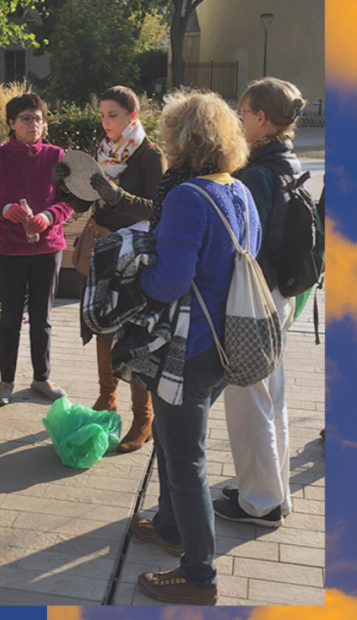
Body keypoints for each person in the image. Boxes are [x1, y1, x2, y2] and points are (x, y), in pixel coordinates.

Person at [129, 90, 257, 606]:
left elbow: (167, 284)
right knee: (172, 436)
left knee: (187, 460)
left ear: (182, 139)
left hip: (190, 348)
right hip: (227, 341)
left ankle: (198, 575)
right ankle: (166, 523)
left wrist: (136, 268)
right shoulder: (239, 190)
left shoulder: (186, 198)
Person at [214, 78, 308, 528]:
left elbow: (243, 243)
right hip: (281, 294)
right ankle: (273, 490)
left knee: (247, 401)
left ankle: (260, 503)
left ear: (262, 119)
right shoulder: (287, 162)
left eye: (243, 111)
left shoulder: (256, 174)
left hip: (255, 299)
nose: (239, 118)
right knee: (273, 397)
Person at [52, 85, 166, 452]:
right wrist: (67, 188)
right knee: (103, 326)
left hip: (132, 257)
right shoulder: (104, 153)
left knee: (133, 336)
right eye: (102, 114)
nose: (105, 122)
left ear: (133, 116)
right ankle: (106, 398)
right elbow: (89, 205)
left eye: (113, 114)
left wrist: (117, 195)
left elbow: (156, 209)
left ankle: (143, 418)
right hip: (103, 251)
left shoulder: (150, 155)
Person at [0, 93, 74, 407]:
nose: (34, 124)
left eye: (39, 118)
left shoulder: (58, 156)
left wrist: (48, 216)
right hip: (8, 250)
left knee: (42, 318)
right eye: (26, 118)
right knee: (10, 318)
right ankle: (6, 381)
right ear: (11, 123)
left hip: (48, 249)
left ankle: (41, 378)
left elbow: (71, 200)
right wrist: (4, 210)